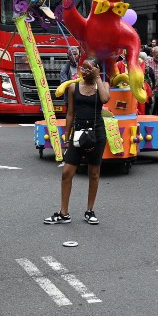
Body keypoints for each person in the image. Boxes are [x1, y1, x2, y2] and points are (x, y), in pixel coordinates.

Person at [45, 57, 110, 226]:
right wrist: (67, 135)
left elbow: (105, 99)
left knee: (94, 173)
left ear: (96, 70)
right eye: (83, 67)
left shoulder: (102, 86)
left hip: (97, 132)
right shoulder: (73, 87)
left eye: (89, 68)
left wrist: (97, 78)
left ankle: (90, 211)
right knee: (67, 172)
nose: (84, 70)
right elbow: (70, 113)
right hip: (78, 132)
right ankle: (63, 213)